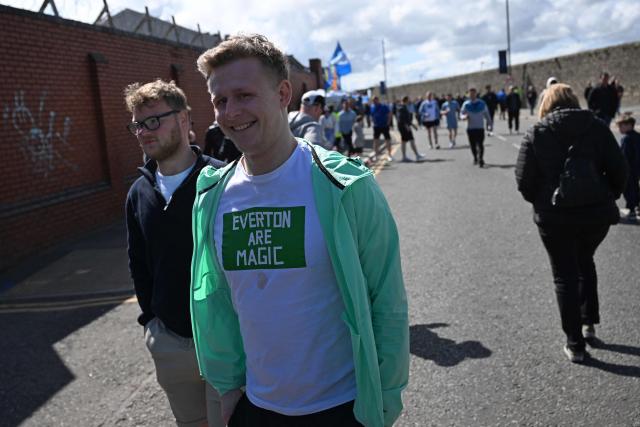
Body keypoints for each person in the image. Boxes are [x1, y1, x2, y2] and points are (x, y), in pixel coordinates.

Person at [193, 33, 409, 427]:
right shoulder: (212, 196)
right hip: (256, 407)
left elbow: (386, 301)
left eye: (244, 95)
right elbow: (218, 302)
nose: (230, 111)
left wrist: (386, 400)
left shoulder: (345, 185)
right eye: (220, 101)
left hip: (343, 407)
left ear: (282, 94)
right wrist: (227, 390)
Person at [124, 79, 226, 427]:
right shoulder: (138, 192)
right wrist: (152, 325)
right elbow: (139, 265)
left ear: (183, 119)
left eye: (154, 120)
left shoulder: (222, 179)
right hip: (170, 343)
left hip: (225, 339)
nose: (144, 131)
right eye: (138, 123)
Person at [515, 83, 628, 363]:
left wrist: (542, 202)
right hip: (595, 216)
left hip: (554, 218)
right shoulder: (598, 126)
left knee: (564, 274)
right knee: (585, 261)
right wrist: (606, 196)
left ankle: (575, 344)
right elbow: (620, 169)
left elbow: (524, 180)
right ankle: (588, 323)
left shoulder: (537, 132)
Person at [460, 87, 492, 167]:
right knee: (473, 145)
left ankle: (481, 159)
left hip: (480, 128)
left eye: (473, 93)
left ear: (476, 94)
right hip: (470, 128)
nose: (472, 95)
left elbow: (487, 115)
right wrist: (464, 117)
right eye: (470, 94)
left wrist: (489, 124)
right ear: (468, 94)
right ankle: (475, 157)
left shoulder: (482, 103)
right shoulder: (466, 104)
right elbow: (461, 114)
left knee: (480, 144)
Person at [617, 113, 640, 219]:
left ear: (629, 125)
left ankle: (631, 209)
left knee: (628, 189)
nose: (619, 128)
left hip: (629, 168)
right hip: (637, 167)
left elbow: (624, 156)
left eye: (621, 126)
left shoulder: (626, 139)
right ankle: (636, 207)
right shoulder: (637, 136)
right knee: (635, 188)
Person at [397, 95, 425, 161]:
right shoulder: (402, 108)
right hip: (404, 127)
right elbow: (401, 119)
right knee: (411, 140)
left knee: (404, 141)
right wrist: (407, 126)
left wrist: (413, 125)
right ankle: (416, 155)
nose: (410, 100)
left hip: (404, 126)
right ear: (406, 100)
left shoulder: (403, 107)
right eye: (409, 99)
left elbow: (407, 119)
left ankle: (405, 157)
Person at [370, 95, 394, 162]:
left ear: (378, 100)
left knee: (387, 140)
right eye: (373, 100)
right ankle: (376, 155)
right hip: (376, 126)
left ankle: (389, 155)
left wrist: (388, 123)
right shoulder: (372, 107)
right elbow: (372, 116)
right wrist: (373, 122)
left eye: (375, 100)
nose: (374, 101)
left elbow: (389, 114)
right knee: (375, 141)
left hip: (384, 126)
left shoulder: (384, 106)